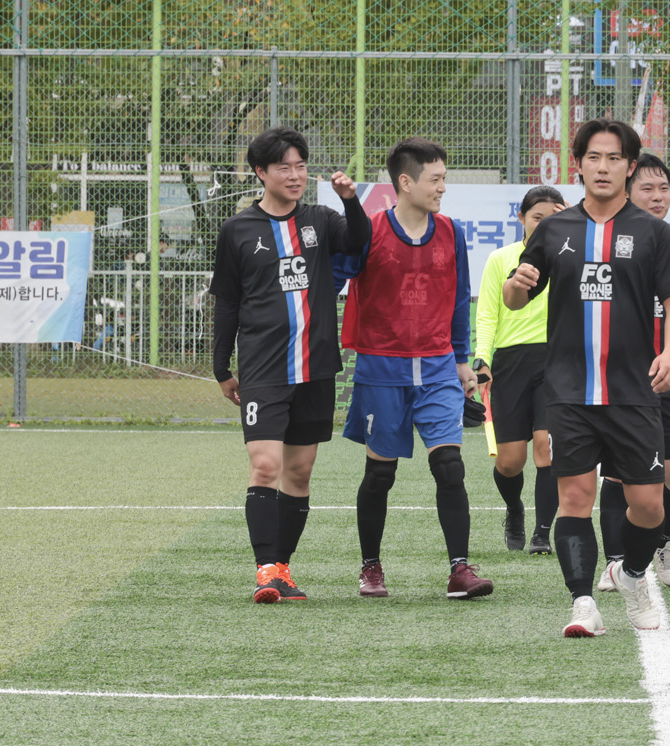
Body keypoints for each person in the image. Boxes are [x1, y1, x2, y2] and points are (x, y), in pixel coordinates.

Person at [503, 119, 670, 637]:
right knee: (574, 499)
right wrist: (516, 284)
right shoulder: (554, 229)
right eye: (593, 157)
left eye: (613, 158)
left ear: (630, 167)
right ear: (579, 164)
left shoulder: (653, 233)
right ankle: (582, 603)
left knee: (648, 506)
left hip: (633, 391)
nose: (603, 167)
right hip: (568, 390)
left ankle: (630, 575)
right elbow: (516, 297)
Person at [210, 127, 370, 602]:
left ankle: (281, 569)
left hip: (316, 367)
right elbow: (227, 303)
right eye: (284, 167)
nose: (295, 175)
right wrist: (221, 368)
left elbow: (358, 242)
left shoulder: (320, 219)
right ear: (261, 173)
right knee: (265, 466)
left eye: (301, 166)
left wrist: (350, 201)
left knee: (299, 474)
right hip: (263, 368)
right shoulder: (238, 230)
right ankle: (264, 570)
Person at [339, 137, 492, 599]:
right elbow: (338, 274)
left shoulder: (451, 232)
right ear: (405, 183)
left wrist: (462, 361)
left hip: (439, 369)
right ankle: (370, 567)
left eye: (444, 178)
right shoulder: (370, 230)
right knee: (379, 475)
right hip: (381, 371)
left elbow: (459, 298)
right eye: (435, 179)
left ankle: (460, 569)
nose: (443, 187)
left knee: (450, 467)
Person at [593, 154, 670, 593]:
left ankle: (661, 540)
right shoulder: (606, 241)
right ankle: (617, 561)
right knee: (618, 475)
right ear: (627, 191)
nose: (658, 196)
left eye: (664, 188)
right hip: (621, 380)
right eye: (648, 188)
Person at [473, 185, 566, 555]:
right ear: (521, 218)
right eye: (537, 217)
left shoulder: (570, 258)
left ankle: (542, 534)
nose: (543, 224)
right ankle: (514, 510)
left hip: (557, 361)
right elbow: (487, 314)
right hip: (510, 364)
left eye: (552, 218)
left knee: (547, 448)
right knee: (510, 462)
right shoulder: (501, 258)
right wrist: (482, 358)